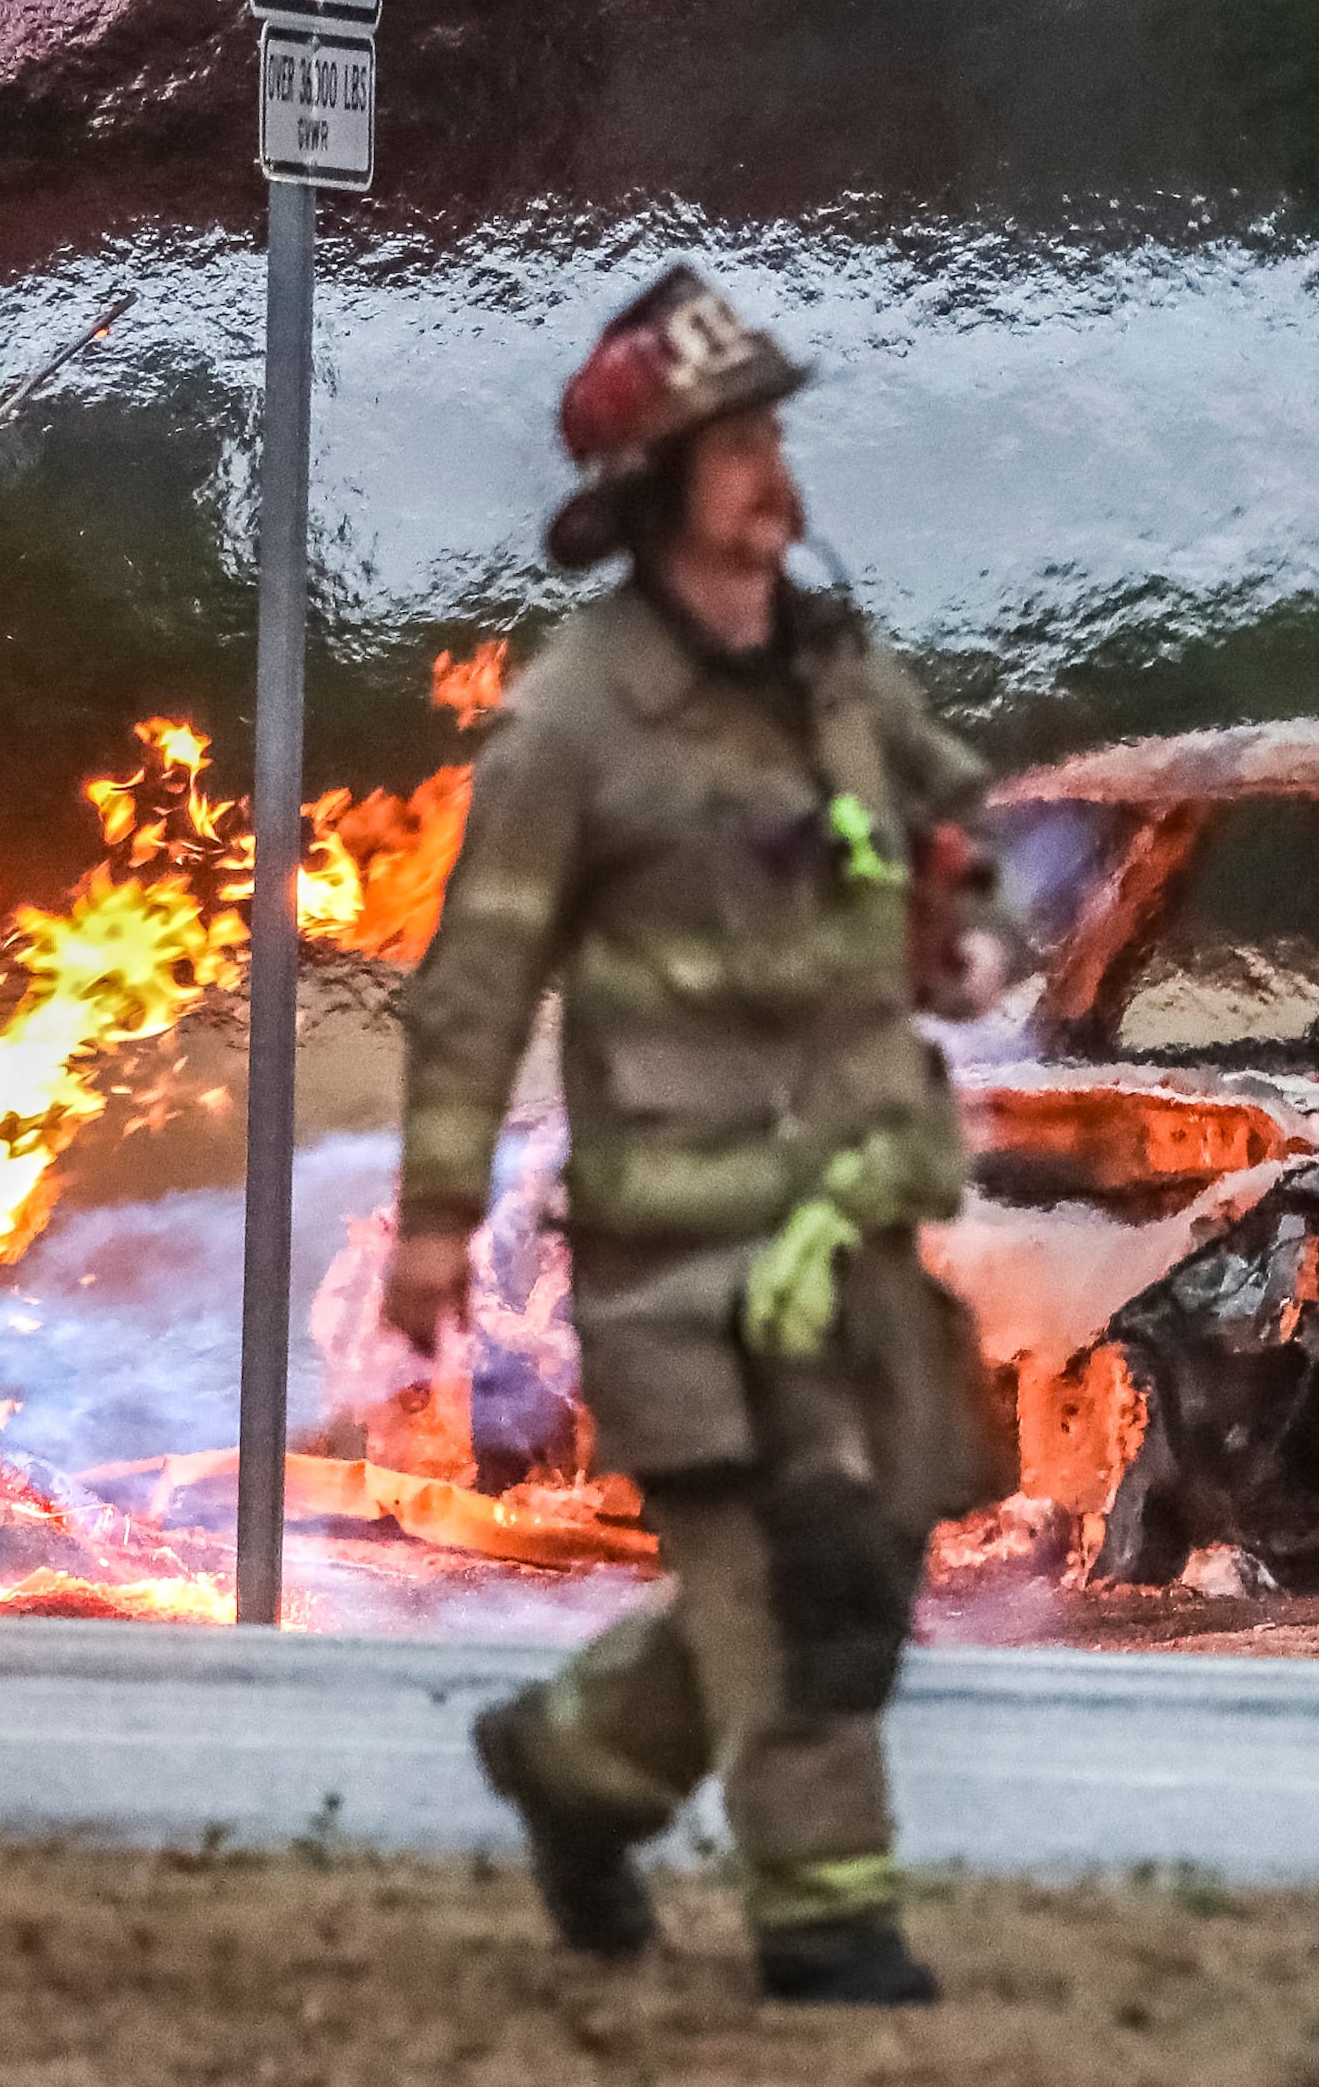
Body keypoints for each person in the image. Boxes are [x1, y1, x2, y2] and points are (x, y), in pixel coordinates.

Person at [381, 266, 1011, 2006]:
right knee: (791, 1578)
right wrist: (436, 1216)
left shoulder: (833, 675)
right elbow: (477, 976)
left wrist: (966, 927)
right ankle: (828, 1925)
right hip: (690, 1249)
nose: (766, 467)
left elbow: (954, 831)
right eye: (731, 440)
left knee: (871, 1541)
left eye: (769, 432)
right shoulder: (573, 724)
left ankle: (574, 1763)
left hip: (857, 1221)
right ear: (657, 488)